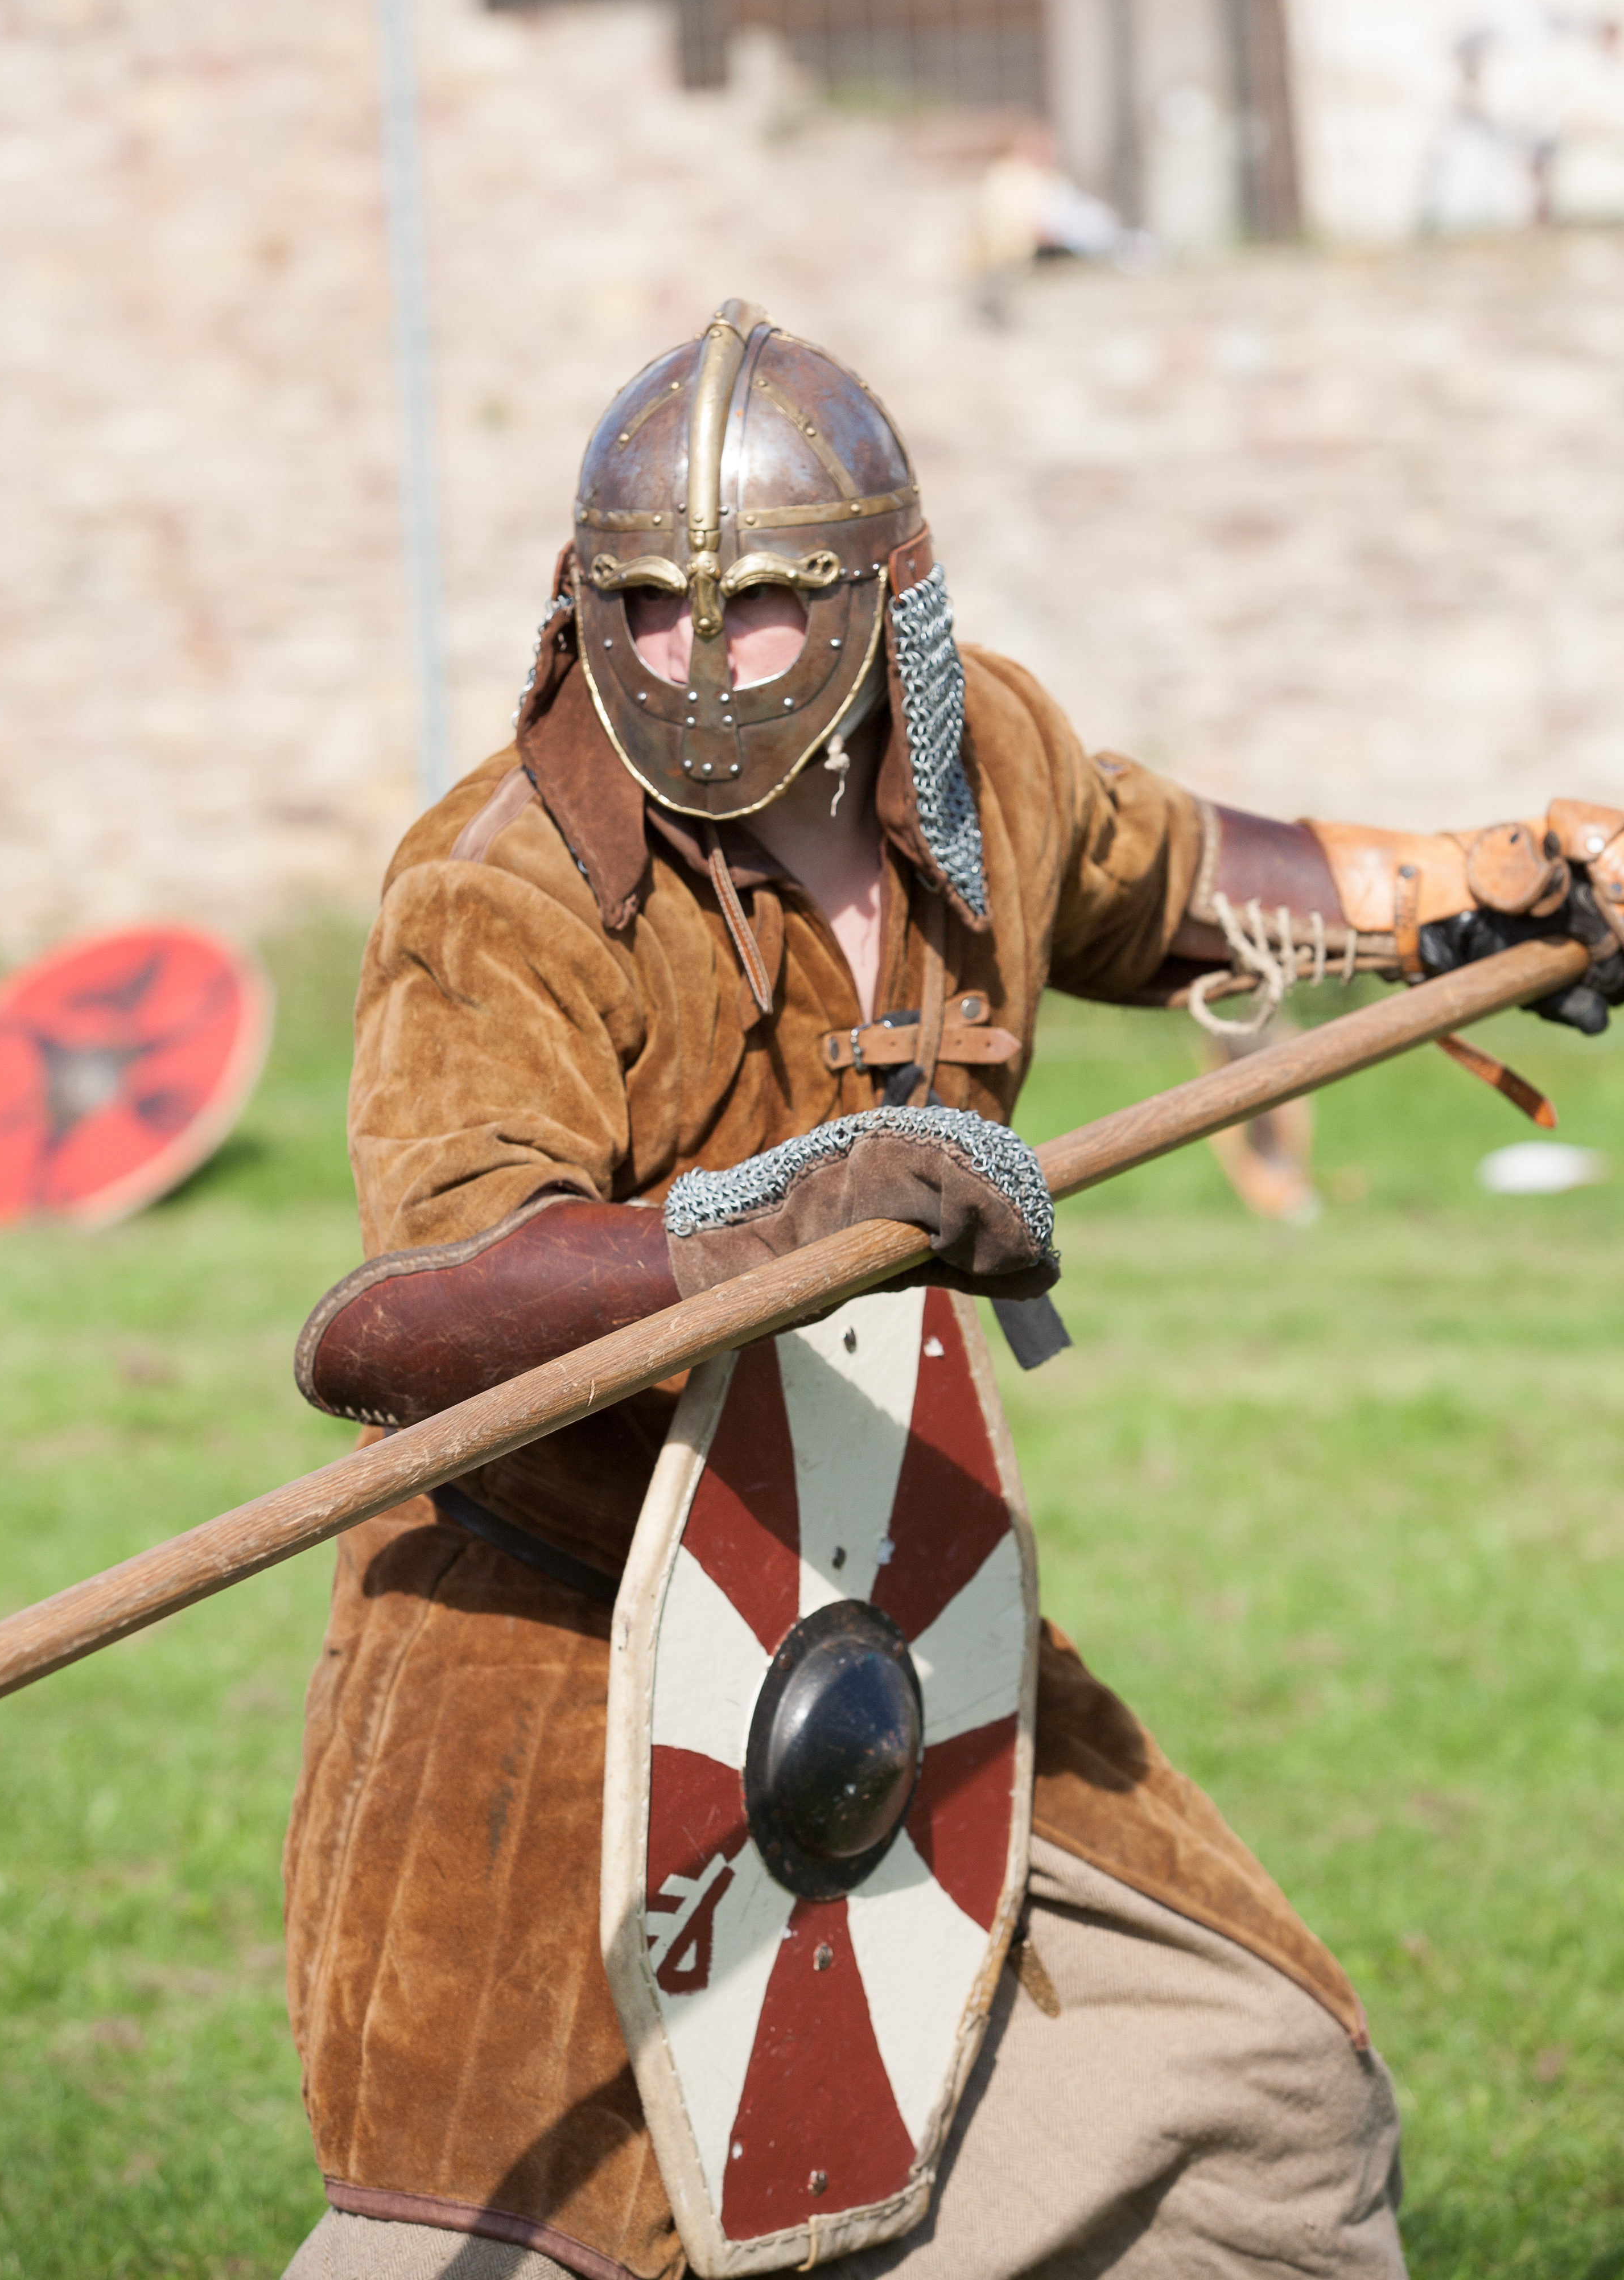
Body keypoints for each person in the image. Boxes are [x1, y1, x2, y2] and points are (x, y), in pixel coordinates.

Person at [282, 301, 1621, 2280]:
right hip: (548, 1637)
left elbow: (1176, 880)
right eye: (644, 606)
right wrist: (762, 1223)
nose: (698, 661)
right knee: (520, 2243)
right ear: (579, 599)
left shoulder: (981, 753)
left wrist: (1474, 894)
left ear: (881, 596)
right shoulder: (501, 890)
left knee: (1259, 2108)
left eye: (759, 608)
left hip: (885, 1605)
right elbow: (406, 1308)